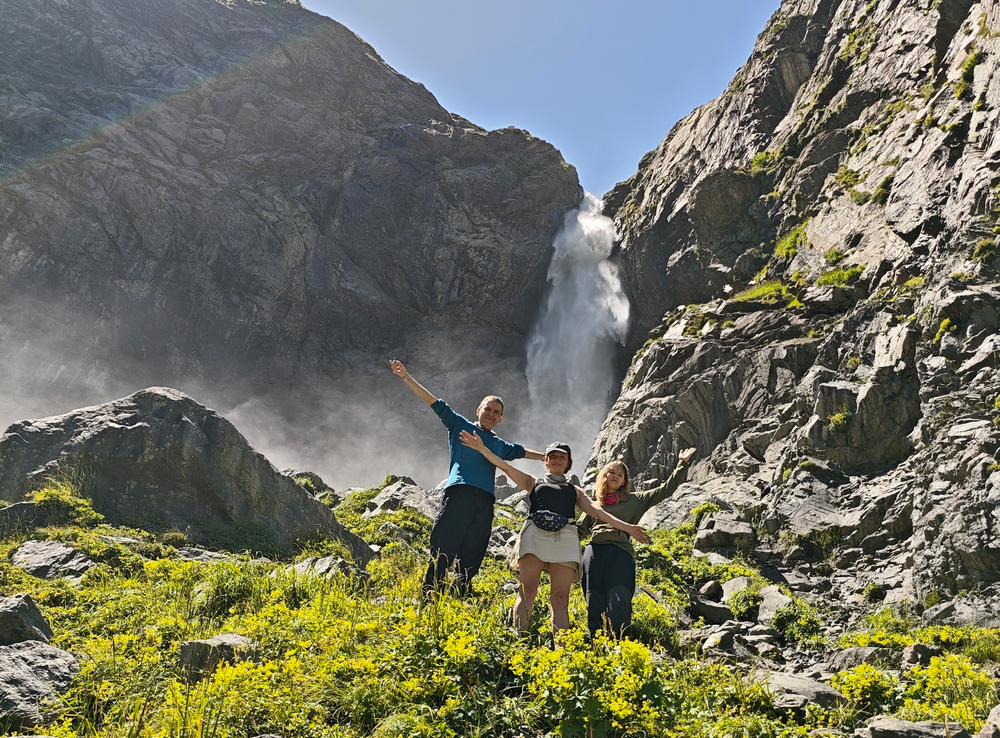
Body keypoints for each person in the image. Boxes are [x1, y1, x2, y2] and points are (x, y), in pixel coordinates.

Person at [459, 431, 650, 633]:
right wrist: (482, 449)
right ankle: (519, 639)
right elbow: (506, 467)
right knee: (527, 590)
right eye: (553, 456)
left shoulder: (575, 491)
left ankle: (562, 646)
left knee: (560, 597)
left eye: (562, 457)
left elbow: (597, 512)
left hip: (564, 537)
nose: (557, 460)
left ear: (568, 463)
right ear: (546, 461)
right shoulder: (533, 482)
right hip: (534, 534)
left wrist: (628, 528)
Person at [390, 359, 544, 596]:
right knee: (444, 543)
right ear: (478, 410)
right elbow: (434, 402)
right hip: (459, 492)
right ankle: (430, 593)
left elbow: (521, 451)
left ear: (501, 419)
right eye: (488, 409)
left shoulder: (499, 445)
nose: (491, 414)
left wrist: (547, 456)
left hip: (485, 501)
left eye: (496, 412)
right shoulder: (459, 424)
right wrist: (406, 377)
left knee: (474, 548)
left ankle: (460, 593)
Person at [580, 448, 697, 638]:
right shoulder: (594, 504)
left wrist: (681, 464)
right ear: (604, 475)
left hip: (620, 553)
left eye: (620, 475)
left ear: (624, 482)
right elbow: (579, 530)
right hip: (594, 553)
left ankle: (621, 641)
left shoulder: (635, 500)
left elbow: (665, 490)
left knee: (620, 597)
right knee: (594, 598)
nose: (615, 476)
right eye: (612, 472)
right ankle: (597, 643)